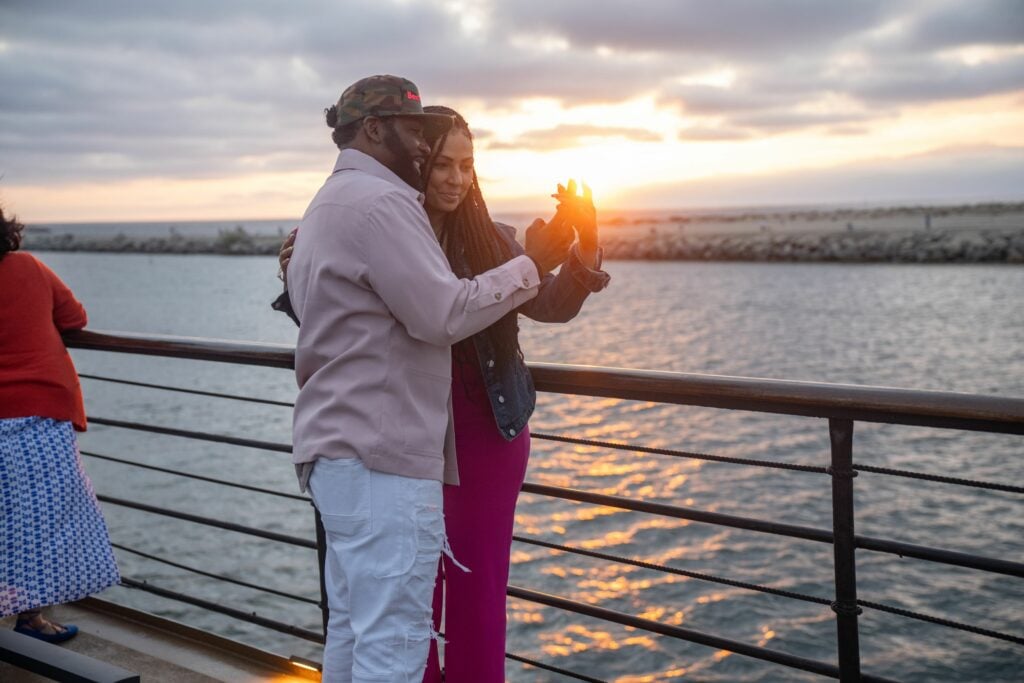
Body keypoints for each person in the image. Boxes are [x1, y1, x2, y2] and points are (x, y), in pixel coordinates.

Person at [277, 105, 610, 681]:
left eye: (466, 165)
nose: (455, 179)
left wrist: (585, 247)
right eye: (441, 164)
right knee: (407, 601)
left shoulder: (491, 239)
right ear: (414, 163)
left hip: (482, 430)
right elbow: (337, 325)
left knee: (477, 591)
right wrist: (294, 269)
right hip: (396, 435)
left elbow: (550, 304)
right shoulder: (375, 223)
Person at [0, 203, 120, 643]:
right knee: (42, 522)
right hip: (39, 412)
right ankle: (31, 619)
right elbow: (75, 319)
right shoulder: (27, 267)